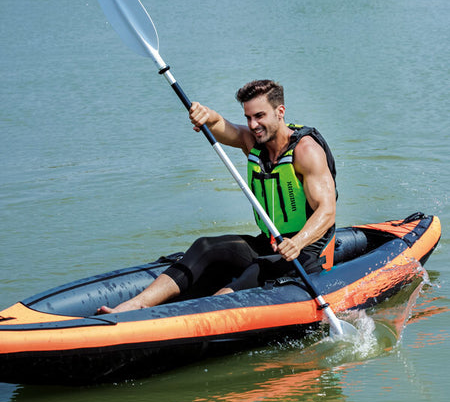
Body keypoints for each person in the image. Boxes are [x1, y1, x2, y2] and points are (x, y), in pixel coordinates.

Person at [98, 80, 337, 314]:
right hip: (270, 242)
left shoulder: (306, 151)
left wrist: (297, 243)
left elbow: (326, 211)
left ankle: (197, 318)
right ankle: (135, 305)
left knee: (253, 273)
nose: (253, 124)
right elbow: (221, 125)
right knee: (206, 246)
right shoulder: (253, 142)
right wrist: (205, 115)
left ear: (280, 112)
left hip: (304, 253)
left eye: (260, 116)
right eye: (248, 117)